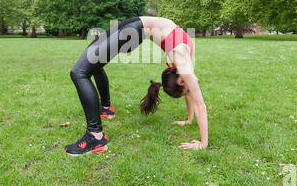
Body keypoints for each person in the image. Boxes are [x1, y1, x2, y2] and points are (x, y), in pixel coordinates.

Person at [65, 17, 208, 156]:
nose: (190, 88)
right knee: (81, 72)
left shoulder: (183, 64)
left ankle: (95, 136)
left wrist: (189, 121)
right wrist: (204, 143)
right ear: (181, 82)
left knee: (81, 70)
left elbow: (189, 92)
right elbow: (200, 105)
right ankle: (102, 120)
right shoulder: (183, 63)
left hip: (133, 29)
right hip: (132, 29)